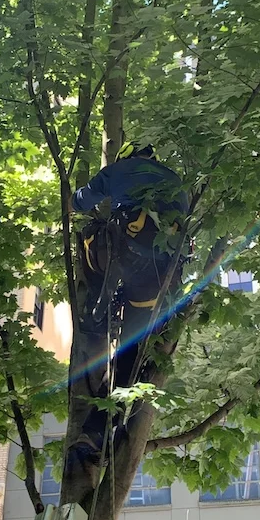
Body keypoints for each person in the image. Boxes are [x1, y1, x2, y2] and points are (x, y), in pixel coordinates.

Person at [70, 141, 189, 455]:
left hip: (122, 256)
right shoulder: (176, 182)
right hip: (160, 275)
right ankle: (106, 423)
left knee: (93, 234)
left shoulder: (118, 170)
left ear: (126, 156)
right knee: (131, 347)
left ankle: (95, 308)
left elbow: (80, 202)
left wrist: (75, 195)